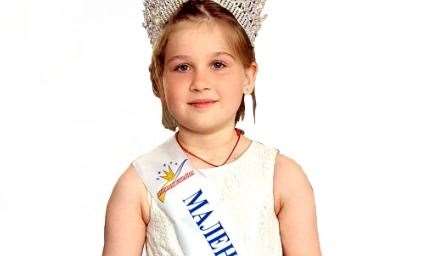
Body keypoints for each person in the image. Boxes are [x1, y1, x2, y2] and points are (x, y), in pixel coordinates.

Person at [102, 1, 321, 255]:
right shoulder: (138, 184)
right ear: (159, 80)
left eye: (218, 65)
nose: (200, 82)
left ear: (248, 77)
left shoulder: (282, 177)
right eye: (182, 67)